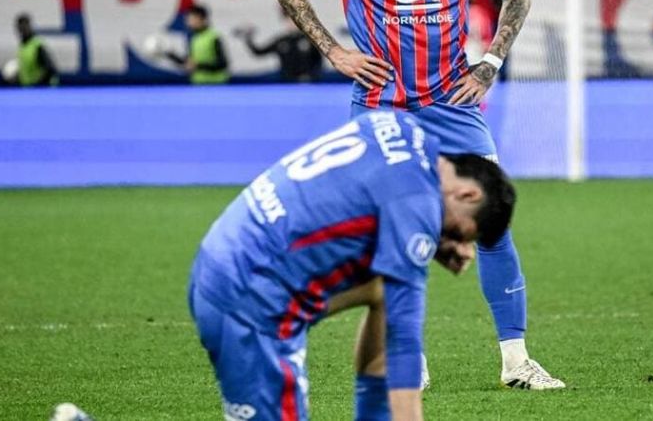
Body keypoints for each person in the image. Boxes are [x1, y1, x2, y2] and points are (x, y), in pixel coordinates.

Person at [274, 0, 562, 390]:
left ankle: (516, 361)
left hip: (455, 105)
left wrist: (490, 63)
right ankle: (409, 358)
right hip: (382, 107)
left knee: (493, 223)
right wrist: (335, 52)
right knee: (395, 232)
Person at [189, 110, 515, 421]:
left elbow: (370, 192)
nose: (447, 238)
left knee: (381, 290)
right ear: (468, 195)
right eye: (457, 232)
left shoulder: (398, 126)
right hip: (249, 305)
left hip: (223, 255)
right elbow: (403, 337)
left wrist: (432, 237)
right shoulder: (415, 208)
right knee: (395, 303)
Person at [235, 13, 323, 82]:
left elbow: (319, 60)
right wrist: (248, 39)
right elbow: (259, 52)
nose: (291, 24)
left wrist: (313, 76)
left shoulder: (309, 40)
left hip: (307, 81)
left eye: (294, 21)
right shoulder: (281, 41)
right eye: (289, 21)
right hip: (286, 81)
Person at [167, 4, 230, 84]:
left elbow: (223, 64)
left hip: (216, 84)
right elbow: (189, 63)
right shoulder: (192, 38)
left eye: (191, 19)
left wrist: (198, 66)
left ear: (201, 19)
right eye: (187, 19)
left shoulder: (214, 37)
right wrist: (171, 55)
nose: (188, 22)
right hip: (198, 84)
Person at [14, 13, 59, 86]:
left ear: (30, 27)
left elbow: (51, 69)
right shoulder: (22, 47)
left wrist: (38, 85)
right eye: (20, 28)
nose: (23, 30)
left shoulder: (37, 46)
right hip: (27, 88)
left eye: (25, 27)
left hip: (39, 88)